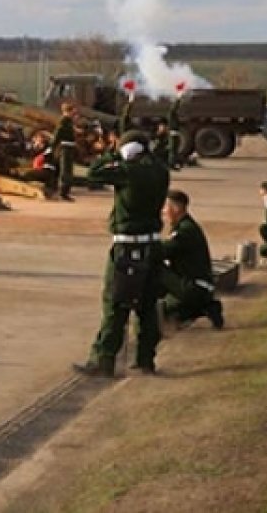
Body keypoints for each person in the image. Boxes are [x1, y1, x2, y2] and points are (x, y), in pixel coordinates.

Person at [73, 130, 171, 378]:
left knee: (115, 304)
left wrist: (111, 153)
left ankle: (104, 359)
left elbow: (93, 174)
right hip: (153, 246)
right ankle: (146, 360)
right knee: (148, 306)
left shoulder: (129, 171)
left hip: (127, 247)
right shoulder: (161, 170)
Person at [156, 190, 223, 330]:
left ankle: (202, 306)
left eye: (165, 207)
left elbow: (162, 252)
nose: (163, 211)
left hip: (193, 286)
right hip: (198, 285)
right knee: (170, 311)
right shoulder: (186, 226)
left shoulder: (185, 231)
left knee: (155, 267)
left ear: (177, 208)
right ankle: (205, 307)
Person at [52, 102, 78, 201]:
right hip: (65, 148)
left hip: (68, 147)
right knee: (66, 171)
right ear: (69, 111)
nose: (74, 114)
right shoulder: (64, 121)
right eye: (73, 111)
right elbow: (57, 134)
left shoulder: (68, 121)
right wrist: (52, 146)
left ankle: (65, 192)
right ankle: (63, 193)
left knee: (67, 170)